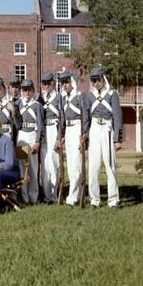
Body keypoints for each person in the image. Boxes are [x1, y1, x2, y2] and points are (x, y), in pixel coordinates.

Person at [83, 66, 123, 208]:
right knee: (93, 167)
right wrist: (85, 136)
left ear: (103, 79)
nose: (96, 83)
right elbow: (86, 118)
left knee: (110, 165)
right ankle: (94, 200)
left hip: (107, 129)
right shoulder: (89, 96)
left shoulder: (112, 94)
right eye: (93, 80)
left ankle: (113, 200)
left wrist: (118, 139)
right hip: (94, 129)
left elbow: (118, 118)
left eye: (98, 80)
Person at [16, 78, 44, 204]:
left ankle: (33, 197)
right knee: (22, 167)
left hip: (32, 134)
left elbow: (40, 124)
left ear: (33, 91)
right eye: (24, 90)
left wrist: (38, 141)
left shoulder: (37, 105)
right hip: (22, 135)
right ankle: (24, 196)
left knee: (33, 168)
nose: (27, 93)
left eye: (29, 90)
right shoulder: (17, 104)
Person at [60, 71, 85, 206]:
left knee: (76, 164)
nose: (65, 85)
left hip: (77, 128)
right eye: (62, 83)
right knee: (70, 164)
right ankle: (78, 193)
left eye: (67, 82)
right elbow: (63, 119)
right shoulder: (63, 99)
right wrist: (63, 135)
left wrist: (84, 134)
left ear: (72, 82)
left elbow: (85, 117)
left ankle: (73, 196)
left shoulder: (80, 97)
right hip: (68, 131)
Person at [38, 72, 64, 203]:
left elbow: (62, 118)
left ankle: (54, 195)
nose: (46, 86)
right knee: (44, 165)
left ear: (53, 83)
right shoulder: (40, 98)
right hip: (44, 131)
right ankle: (46, 195)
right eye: (44, 83)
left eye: (48, 83)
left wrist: (59, 137)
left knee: (54, 163)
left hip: (54, 128)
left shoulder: (59, 97)